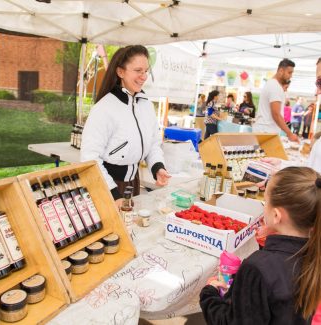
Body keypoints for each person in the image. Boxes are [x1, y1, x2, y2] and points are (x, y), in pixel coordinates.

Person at [200, 166, 321, 324]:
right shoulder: (314, 253)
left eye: (265, 202)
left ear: (276, 215)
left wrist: (209, 294)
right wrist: (242, 284)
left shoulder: (257, 267)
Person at [80, 45, 170, 207]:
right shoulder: (104, 108)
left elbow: (153, 143)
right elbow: (89, 158)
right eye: (138, 70)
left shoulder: (145, 104)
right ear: (120, 72)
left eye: (146, 71)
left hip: (133, 183)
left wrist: (158, 167)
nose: (144, 76)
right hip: (109, 186)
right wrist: (113, 194)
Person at [253, 59, 299, 142]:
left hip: (264, 131)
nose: (291, 76)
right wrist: (290, 134)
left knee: (259, 154)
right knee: (263, 155)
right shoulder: (275, 87)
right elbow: (276, 114)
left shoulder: (271, 83)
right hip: (266, 132)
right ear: (281, 70)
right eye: (289, 72)